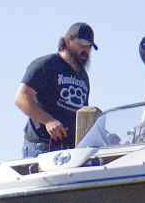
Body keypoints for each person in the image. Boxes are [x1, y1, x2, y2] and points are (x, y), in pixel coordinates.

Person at [16, 23, 95, 156]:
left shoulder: (83, 76)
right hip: (41, 146)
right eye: (82, 45)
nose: (85, 50)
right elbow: (21, 97)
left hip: (70, 150)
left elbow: (83, 113)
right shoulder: (46, 65)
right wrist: (48, 121)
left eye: (89, 47)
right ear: (67, 41)